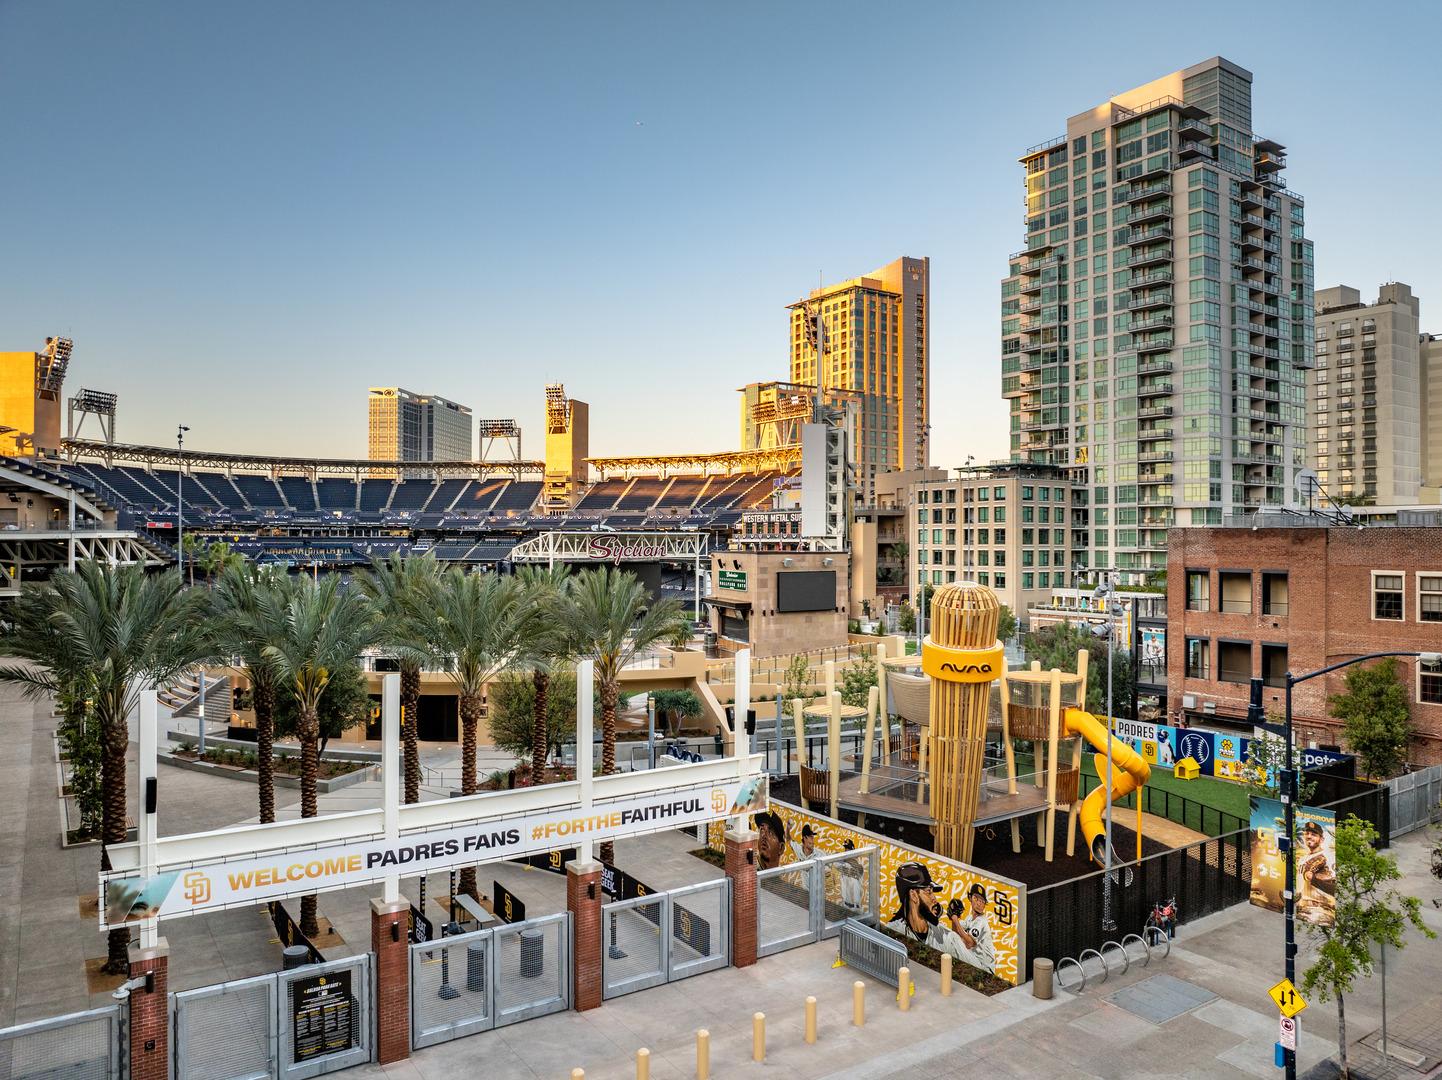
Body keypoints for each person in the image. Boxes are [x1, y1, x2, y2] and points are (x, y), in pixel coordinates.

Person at [884, 863, 971, 964]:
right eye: (929, 891)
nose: (934, 898)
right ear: (913, 895)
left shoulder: (949, 938)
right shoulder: (893, 931)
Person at [949, 883, 996, 974]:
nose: (979, 903)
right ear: (970, 898)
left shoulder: (981, 921)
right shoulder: (969, 919)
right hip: (976, 961)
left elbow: (969, 943)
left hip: (985, 968)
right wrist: (953, 915)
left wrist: (954, 918)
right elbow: (955, 930)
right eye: (976, 898)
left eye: (982, 901)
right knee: (952, 936)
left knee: (952, 937)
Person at [1297, 819, 1336, 925]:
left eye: (1314, 834)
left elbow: (1333, 887)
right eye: (1307, 833)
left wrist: (1314, 879)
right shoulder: (1302, 858)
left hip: (1321, 909)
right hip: (1303, 907)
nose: (1309, 836)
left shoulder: (1328, 856)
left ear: (1322, 839)